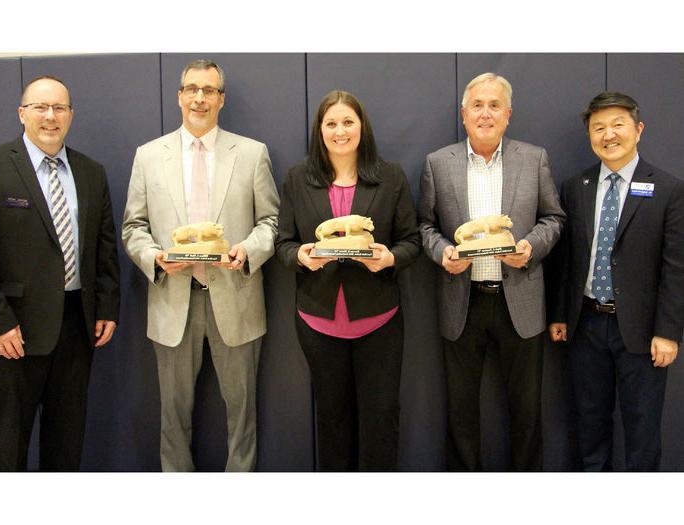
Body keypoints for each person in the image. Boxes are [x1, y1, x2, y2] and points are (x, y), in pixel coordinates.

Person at [122, 59, 279, 472]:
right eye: (192, 89)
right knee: (172, 418)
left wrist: (248, 250)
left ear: (221, 99)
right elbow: (133, 227)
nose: (199, 98)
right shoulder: (148, 156)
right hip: (173, 301)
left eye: (208, 90)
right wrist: (153, 258)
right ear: (179, 96)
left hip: (237, 298)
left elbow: (271, 222)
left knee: (242, 414)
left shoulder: (251, 153)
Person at [418, 72, 565, 471]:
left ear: (508, 114)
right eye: (478, 105)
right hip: (461, 303)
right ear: (463, 113)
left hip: (520, 299)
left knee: (527, 413)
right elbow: (425, 226)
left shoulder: (534, 158)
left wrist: (531, 247)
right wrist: (443, 252)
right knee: (461, 414)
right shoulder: (437, 163)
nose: (486, 113)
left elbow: (554, 217)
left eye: (494, 105)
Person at [276, 90, 420, 471]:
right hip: (319, 322)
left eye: (347, 122)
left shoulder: (390, 177)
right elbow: (283, 243)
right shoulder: (297, 179)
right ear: (320, 130)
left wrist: (390, 258)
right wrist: (300, 257)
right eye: (331, 123)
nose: (340, 131)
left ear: (362, 126)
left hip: (380, 322)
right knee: (332, 421)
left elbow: (412, 241)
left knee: (381, 419)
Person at [0, 76, 120, 471]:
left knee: (66, 444)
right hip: (14, 333)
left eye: (59, 108)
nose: (50, 116)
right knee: (8, 445)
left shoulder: (90, 171)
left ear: (71, 116)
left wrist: (107, 306)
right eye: (41, 107)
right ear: (21, 113)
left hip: (78, 327)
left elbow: (104, 245)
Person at [548, 92, 684, 471]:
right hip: (586, 324)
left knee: (642, 430)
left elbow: (676, 268)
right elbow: (567, 258)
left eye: (618, 124)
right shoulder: (577, 187)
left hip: (642, 332)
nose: (609, 134)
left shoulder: (669, 190)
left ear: (638, 130)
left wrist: (668, 331)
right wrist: (560, 315)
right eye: (598, 127)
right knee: (590, 427)